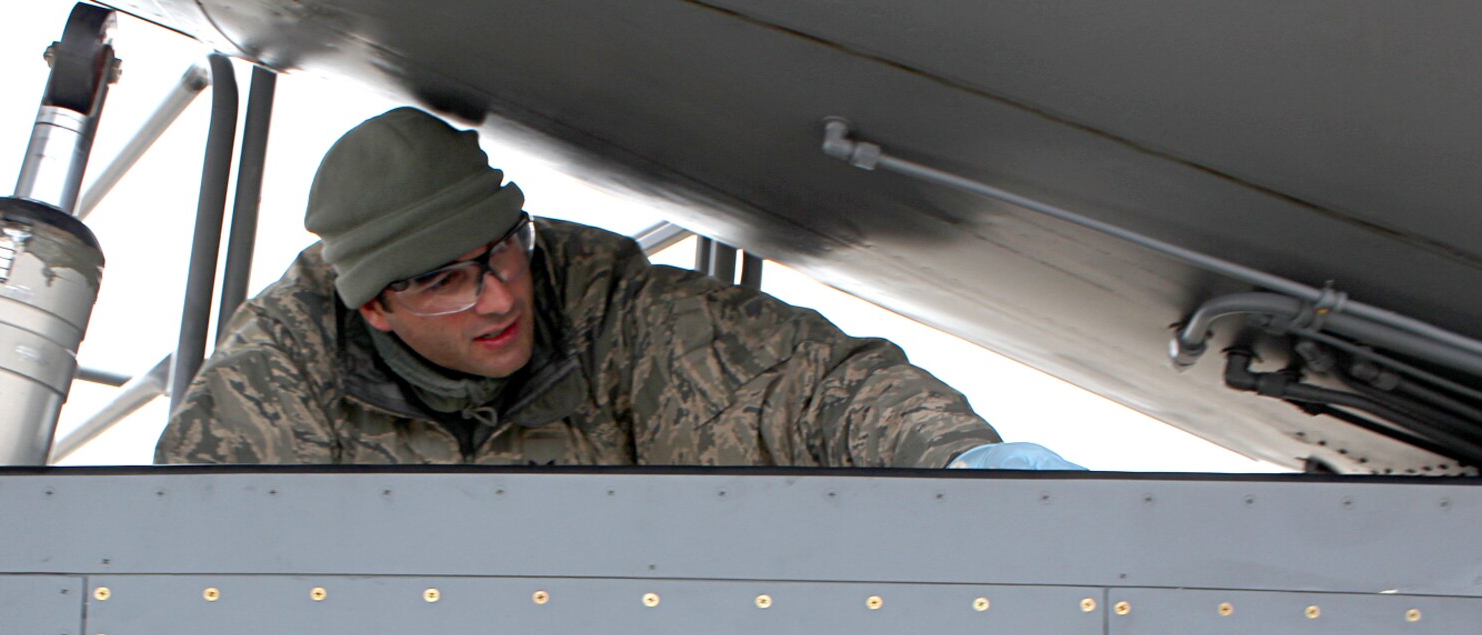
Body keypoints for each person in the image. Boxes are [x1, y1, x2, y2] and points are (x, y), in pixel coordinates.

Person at [155, 107, 1079, 472]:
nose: (497, 297)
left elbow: (818, 388)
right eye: (445, 281)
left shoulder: (610, 309)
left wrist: (962, 465)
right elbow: (189, 560)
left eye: (502, 249)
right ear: (375, 308)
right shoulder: (281, 374)